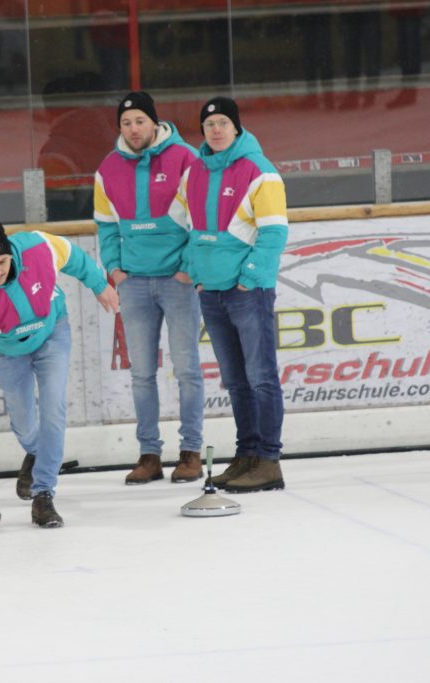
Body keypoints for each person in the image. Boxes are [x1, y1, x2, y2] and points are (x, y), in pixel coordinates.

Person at [0, 220, 118, 528]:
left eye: (2, 261)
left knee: (53, 407)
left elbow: (75, 257)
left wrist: (100, 285)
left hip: (51, 334)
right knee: (23, 418)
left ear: (11, 254)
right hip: (8, 349)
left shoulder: (37, 246)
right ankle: (35, 451)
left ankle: (44, 493)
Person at [93, 91, 205, 486]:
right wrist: (114, 268)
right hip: (135, 284)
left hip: (177, 281)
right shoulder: (108, 167)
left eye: (140, 120)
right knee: (141, 373)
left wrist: (189, 268)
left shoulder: (184, 158)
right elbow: (105, 224)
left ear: (154, 122)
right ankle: (149, 454)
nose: (133, 129)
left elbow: (200, 216)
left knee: (188, 369)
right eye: (126, 123)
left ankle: (191, 452)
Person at [178, 98, 288, 493]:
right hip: (212, 292)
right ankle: (247, 455)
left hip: (247, 292)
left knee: (260, 378)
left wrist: (251, 277)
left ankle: (269, 461)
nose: (216, 130)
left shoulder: (260, 171)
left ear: (237, 127)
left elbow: (274, 232)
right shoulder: (195, 172)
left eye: (223, 122)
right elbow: (189, 228)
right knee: (236, 381)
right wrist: (196, 273)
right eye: (209, 125)